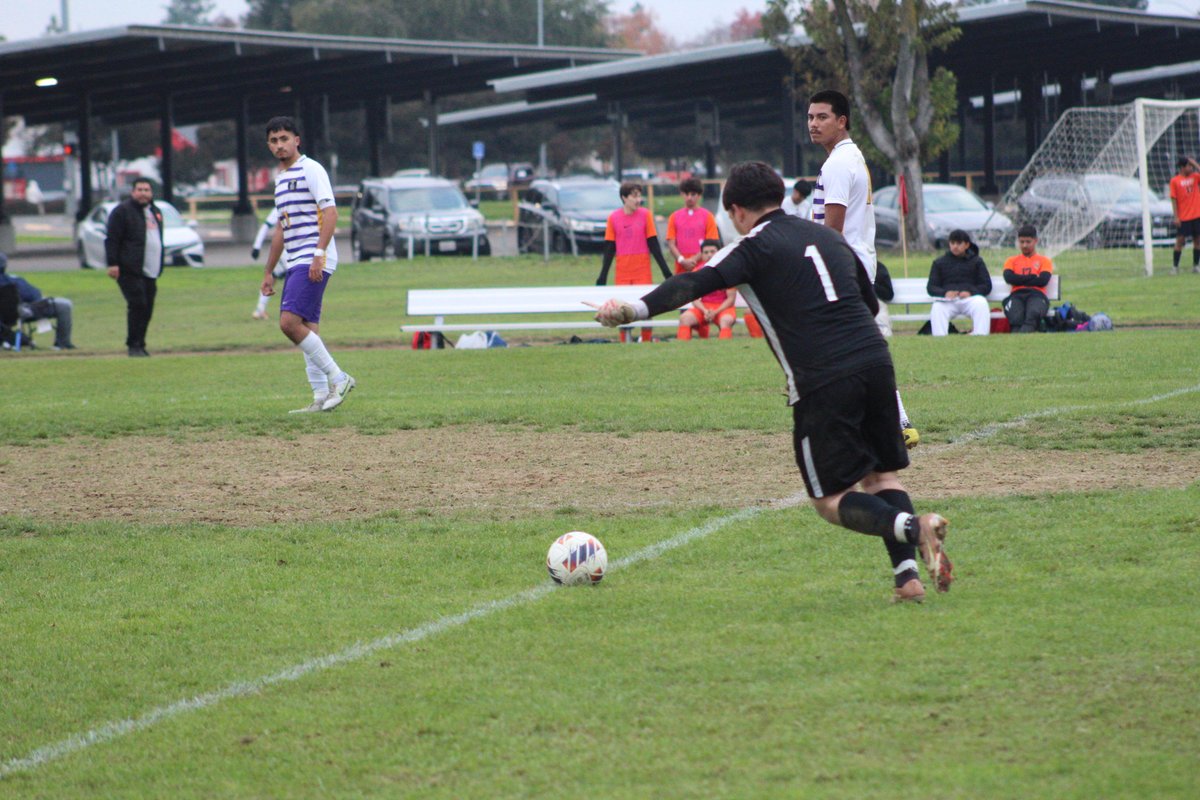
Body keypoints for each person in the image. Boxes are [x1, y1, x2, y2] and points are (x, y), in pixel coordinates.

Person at [592, 161, 952, 602]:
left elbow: (692, 282)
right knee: (881, 477)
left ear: (737, 211)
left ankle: (915, 528)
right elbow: (868, 301)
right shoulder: (827, 237)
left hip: (824, 377)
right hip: (877, 363)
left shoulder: (751, 247)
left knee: (829, 498)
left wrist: (632, 310)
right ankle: (908, 580)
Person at [808, 89, 917, 448]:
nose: (813, 124)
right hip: (854, 264)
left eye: (822, 117)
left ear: (842, 121)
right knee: (854, 347)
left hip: (842, 268)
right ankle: (889, 421)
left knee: (849, 349)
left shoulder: (838, 164)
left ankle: (890, 421)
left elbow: (832, 229)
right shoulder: (849, 156)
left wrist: (815, 269)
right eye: (810, 117)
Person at [260, 116, 356, 413]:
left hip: (313, 256)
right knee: (307, 328)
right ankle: (320, 396)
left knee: (288, 323)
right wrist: (268, 271)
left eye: (284, 138)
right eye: (274, 141)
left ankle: (339, 378)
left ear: (297, 140)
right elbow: (281, 228)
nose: (279, 145)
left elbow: (331, 213)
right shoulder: (280, 179)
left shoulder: (311, 168)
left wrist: (318, 253)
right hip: (296, 257)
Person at [595, 180, 672, 343]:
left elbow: (654, 244)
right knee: (621, 309)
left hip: (642, 270)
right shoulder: (614, 218)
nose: (638, 200)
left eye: (639, 196)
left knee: (645, 307)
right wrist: (603, 275)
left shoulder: (646, 215)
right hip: (623, 272)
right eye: (634, 196)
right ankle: (625, 341)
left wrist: (665, 271)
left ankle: (646, 340)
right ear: (624, 197)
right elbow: (609, 248)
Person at [105, 177, 163, 357]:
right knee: (138, 304)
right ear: (133, 192)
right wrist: (113, 263)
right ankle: (133, 345)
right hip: (130, 268)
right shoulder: (122, 212)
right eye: (140, 190)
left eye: (147, 190)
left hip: (151, 269)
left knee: (147, 308)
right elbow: (112, 239)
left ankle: (140, 343)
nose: (143, 193)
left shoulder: (155, 211)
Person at [0, 253, 75, 350]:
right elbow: (34, 295)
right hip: (20, 313)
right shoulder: (14, 280)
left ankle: (12, 341)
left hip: (6, 317)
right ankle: (63, 344)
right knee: (63, 306)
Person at [926, 229, 992, 336]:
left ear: (967, 245)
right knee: (937, 307)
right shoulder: (939, 262)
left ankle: (980, 336)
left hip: (970, 299)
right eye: (952, 243)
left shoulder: (977, 261)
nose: (955, 246)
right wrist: (945, 293)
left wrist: (970, 292)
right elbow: (931, 287)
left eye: (959, 243)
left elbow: (986, 285)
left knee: (981, 303)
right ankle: (939, 339)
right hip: (948, 301)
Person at [677, 239, 737, 340]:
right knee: (684, 318)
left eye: (712, 251)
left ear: (719, 252)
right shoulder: (697, 272)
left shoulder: (728, 271)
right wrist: (704, 310)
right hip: (704, 307)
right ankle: (681, 347)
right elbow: (694, 298)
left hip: (723, 308)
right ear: (702, 255)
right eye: (706, 252)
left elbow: (731, 299)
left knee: (726, 320)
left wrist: (715, 312)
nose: (709, 255)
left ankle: (725, 346)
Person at [1003, 224, 1055, 333]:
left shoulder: (1044, 261)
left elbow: (1043, 281)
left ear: (1035, 241)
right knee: (1016, 318)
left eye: (1028, 242)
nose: (1024, 245)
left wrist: (1018, 279)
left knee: (1032, 315)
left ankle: (1022, 338)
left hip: (1037, 295)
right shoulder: (1011, 260)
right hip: (1016, 295)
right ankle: (1019, 340)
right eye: (1021, 242)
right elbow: (1009, 278)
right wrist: (1032, 277)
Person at [665, 177, 720, 274]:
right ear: (682, 194)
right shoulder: (674, 217)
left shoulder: (708, 216)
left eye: (693, 194)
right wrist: (682, 260)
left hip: (702, 267)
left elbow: (711, 243)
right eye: (686, 194)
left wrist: (693, 260)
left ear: (699, 195)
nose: (689, 197)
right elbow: (671, 243)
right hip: (681, 268)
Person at [250, 207, 285, 320]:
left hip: (287, 250)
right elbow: (266, 226)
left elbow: (265, 226)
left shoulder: (281, 205)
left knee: (273, 278)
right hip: (290, 250)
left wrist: (256, 247)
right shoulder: (281, 205)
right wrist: (256, 247)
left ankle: (260, 309)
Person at [1168, 155, 1200, 275]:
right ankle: (1175, 267)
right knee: (1180, 241)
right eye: (1189, 166)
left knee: (1198, 240)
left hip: (1197, 215)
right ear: (1182, 167)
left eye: (1191, 166)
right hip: (1184, 217)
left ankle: (1196, 265)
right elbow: (1173, 199)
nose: (1191, 168)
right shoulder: (1175, 181)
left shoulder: (1195, 177)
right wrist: (1176, 216)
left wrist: (1194, 163)